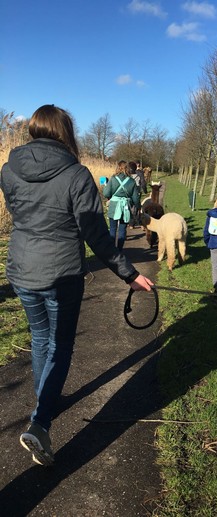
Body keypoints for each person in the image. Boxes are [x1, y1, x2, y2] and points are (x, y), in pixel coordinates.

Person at [0, 104, 153, 466]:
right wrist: (130, 275)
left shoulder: (8, 170)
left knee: (40, 338)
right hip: (61, 275)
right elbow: (96, 236)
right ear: (65, 133)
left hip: (22, 271)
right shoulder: (77, 175)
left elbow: (20, 213)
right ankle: (40, 423)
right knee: (61, 344)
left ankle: (45, 397)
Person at [103, 160, 138, 250]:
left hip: (114, 206)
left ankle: (111, 251)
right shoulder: (131, 181)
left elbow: (106, 193)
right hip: (125, 207)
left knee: (113, 229)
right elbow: (135, 199)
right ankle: (119, 251)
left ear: (118, 168)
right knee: (122, 230)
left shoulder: (113, 179)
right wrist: (138, 207)